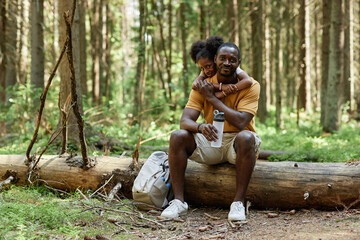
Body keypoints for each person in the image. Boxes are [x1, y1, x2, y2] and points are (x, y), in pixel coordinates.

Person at [160, 42, 261, 221]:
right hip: (212, 138)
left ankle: (238, 203)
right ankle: (178, 201)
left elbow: (240, 122)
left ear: (239, 64)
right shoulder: (203, 85)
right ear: (215, 60)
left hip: (238, 144)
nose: (227, 63)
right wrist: (200, 127)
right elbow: (185, 121)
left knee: (246, 137)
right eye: (222, 58)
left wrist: (211, 98)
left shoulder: (250, 85)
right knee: (177, 136)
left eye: (232, 60)